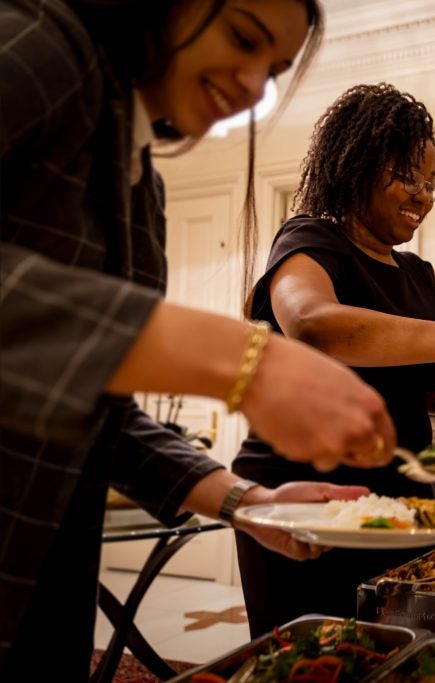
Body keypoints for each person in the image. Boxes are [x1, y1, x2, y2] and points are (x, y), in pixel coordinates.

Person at [0, 1, 400, 678]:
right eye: (242, 37)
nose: (254, 86)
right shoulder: (43, 45)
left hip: (40, 562)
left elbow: (102, 413)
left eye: (273, 70)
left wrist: (249, 501)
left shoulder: (141, 189)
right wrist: (245, 360)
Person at [231, 83, 435, 636]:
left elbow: (414, 386)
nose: (423, 195)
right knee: (313, 657)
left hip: (401, 493)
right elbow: (313, 325)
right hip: (312, 496)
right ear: (358, 166)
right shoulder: (311, 240)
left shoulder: (418, 275)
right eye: (408, 175)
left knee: (391, 651)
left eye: (431, 182)